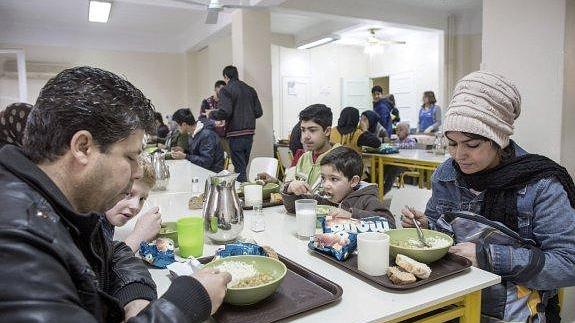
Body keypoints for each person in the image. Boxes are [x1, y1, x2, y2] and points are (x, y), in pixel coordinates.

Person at [0, 66, 230, 322]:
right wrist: (186, 303)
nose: (136, 172)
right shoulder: (17, 241)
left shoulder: (65, 205)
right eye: (130, 157)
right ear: (83, 147)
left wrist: (134, 297)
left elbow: (112, 252)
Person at [401, 71, 575, 322]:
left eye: (471, 145)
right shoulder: (446, 174)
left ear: (500, 140)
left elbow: (568, 263)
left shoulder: (541, 184)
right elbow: (443, 231)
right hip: (452, 300)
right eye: (451, 143)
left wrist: (490, 257)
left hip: (516, 310)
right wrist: (427, 227)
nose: (459, 155)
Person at [281, 104, 340, 213]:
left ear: (327, 131)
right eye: (303, 130)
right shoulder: (304, 158)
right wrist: (289, 189)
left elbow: (338, 205)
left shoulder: (341, 159)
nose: (305, 136)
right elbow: (292, 207)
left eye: (312, 130)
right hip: (302, 220)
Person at [315, 146, 395, 225]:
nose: (325, 185)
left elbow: (390, 223)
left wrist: (352, 215)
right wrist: (302, 192)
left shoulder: (366, 200)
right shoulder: (325, 197)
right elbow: (308, 201)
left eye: (334, 179)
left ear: (353, 181)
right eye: (323, 178)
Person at [210, 65, 263, 182]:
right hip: (249, 134)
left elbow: (225, 112)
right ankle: (247, 192)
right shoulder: (250, 89)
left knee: (239, 170)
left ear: (226, 76)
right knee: (243, 166)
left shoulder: (226, 90)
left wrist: (211, 114)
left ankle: (243, 196)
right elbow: (259, 112)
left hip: (235, 134)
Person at [103, 159, 161, 253]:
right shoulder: (87, 222)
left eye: (142, 199)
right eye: (128, 194)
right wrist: (139, 236)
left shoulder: (107, 220)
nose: (136, 206)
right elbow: (101, 266)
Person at [199, 80, 229, 153]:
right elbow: (201, 120)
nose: (222, 93)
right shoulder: (206, 102)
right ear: (215, 90)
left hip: (226, 138)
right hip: (212, 137)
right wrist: (213, 122)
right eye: (220, 90)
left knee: (229, 160)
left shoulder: (227, 102)